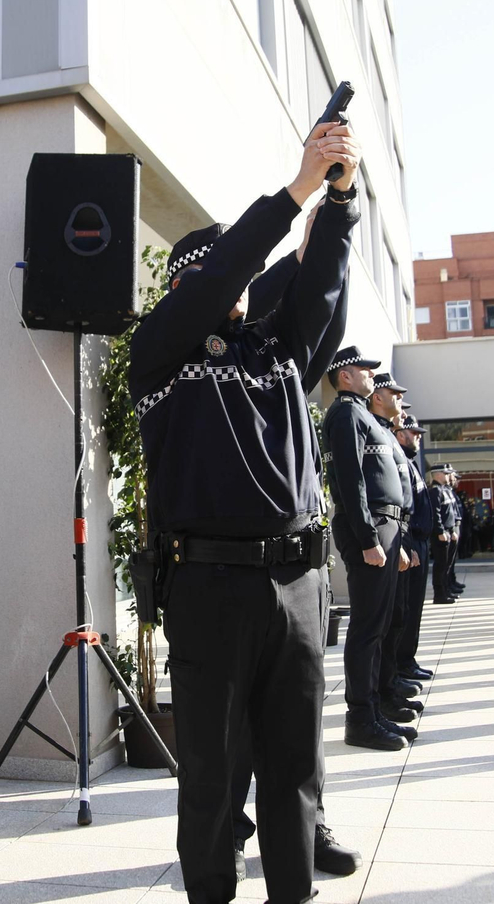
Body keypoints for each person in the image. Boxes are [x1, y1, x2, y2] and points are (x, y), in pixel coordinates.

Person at [129, 119, 359, 904]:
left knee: (294, 773)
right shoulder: (159, 352)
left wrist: (340, 198)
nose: (233, 296)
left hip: (297, 586)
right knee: (213, 780)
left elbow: (321, 285)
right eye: (215, 284)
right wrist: (293, 191)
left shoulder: (278, 354)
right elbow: (233, 265)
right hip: (210, 590)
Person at [228, 217, 361, 881]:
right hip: (234, 573)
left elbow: (327, 316)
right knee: (233, 729)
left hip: (302, 566)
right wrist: (294, 256)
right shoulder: (228, 348)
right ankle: (229, 828)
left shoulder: (290, 364)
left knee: (298, 719)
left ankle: (310, 824)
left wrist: (319, 255)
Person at [323, 348, 417, 750]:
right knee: (367, 629)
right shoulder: (346, 413)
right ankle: (360, 719)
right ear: (345, 375)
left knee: (378, 627)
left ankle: (374, 710)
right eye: (364, 370)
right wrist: (368, 538)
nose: (370, 376)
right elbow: (349, 479)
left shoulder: (359, 413)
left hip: (385, 525)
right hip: (372, 525)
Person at [366, 371, 424, 723]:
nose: (400, 401)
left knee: (397, 617)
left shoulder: (386, 435)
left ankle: (388, 687)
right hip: (385, 535)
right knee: (379, 625)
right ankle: (377, 698)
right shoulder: (371, 429)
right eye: (395, 394)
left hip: (398, 535)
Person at [394, 411, 435, 681]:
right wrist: (407, 545)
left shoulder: (411, 463)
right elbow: (402, 510)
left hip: (419, 541)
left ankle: (408, 659)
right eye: (413, 433)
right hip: (410, 542)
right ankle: (402, 664)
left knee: (414, 608)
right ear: (400, 434)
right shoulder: (401, 462)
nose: (417, 438)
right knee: (405, 610)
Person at [428, 465, 459, 605]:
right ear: (438, 475)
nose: (448, 476)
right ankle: (439, 594)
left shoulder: (444, 490)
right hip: (441, 534)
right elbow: (435, 514)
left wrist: (452, 530)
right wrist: (440, 531)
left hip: (448, 532)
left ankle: (446, 590)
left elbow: (450, 513)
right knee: (441, 565)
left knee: (447, 564)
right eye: (445, 474)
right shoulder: (435, 491)